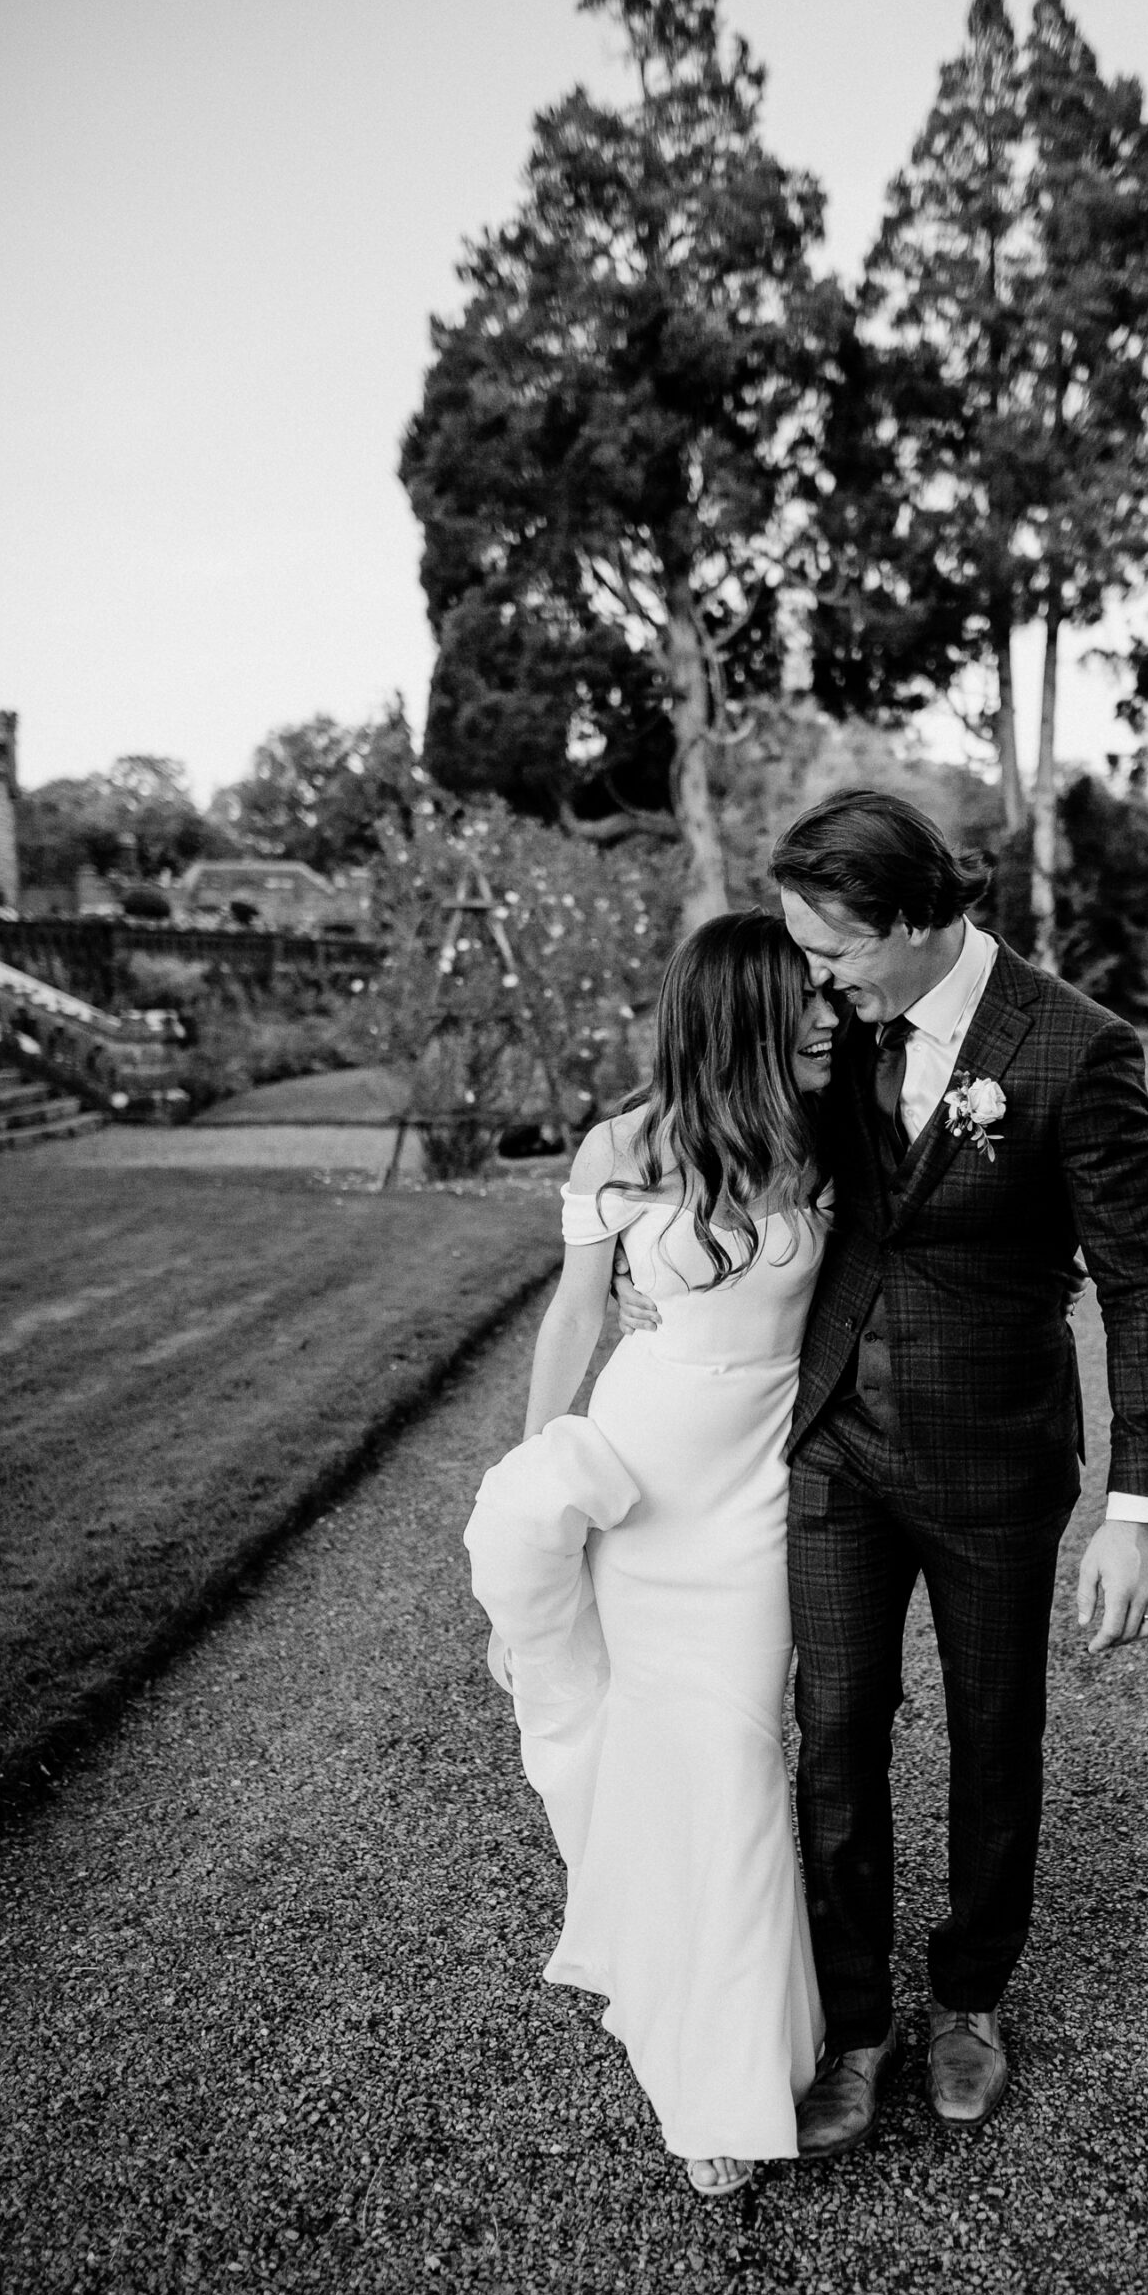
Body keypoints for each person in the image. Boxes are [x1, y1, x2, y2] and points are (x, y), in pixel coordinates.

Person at [621, 790, 1148, 2161]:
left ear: (923, 919)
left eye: (835, 952)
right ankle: (856, 2018)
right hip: (833, 1451)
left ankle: (972, 1999)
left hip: (997, 1457)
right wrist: (648, 1260)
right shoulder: (842, 1029)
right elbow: (722, 1117)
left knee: (997, 1737)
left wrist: (1142, 1508)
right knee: (836, 1737)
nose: (815, 982)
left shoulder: (1074, 1049)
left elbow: (1142, 1282)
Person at [466, 912, 838, 2200]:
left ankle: (736, 2060)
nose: (832, 1014)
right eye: (807, 1000)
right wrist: (535, 1487)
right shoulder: (620, 1145)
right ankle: (708, 2086)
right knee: (660, 1762)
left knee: (734, 1760)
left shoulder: (831, 1131)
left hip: (754, 1496)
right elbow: (577, 1316)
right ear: (745, 1014)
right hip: (637, 1479)